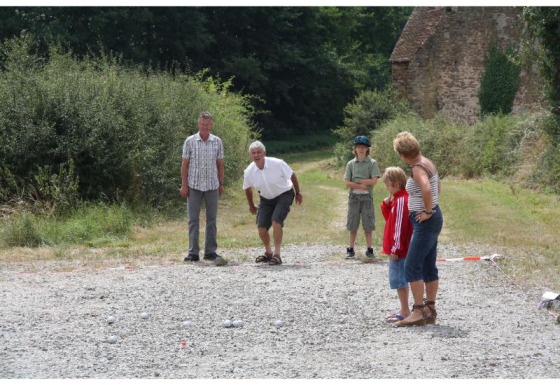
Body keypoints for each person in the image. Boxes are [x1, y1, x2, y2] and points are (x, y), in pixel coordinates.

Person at [392, 131, 443, 326]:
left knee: (411, 265)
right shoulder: (427, 162)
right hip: (432, 219)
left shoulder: (416, 169)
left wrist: (428, 210)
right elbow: (437, 185)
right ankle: (430, 308)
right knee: (429, 265)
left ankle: (419, 311)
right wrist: (434, 207)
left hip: (426, 221)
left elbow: (427, 188)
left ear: (403, 155)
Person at [242, 141, 303, 266]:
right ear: (250, 155)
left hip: (284, 194)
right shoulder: (249, 171)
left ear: (264, 153)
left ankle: (277, 255)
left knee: (276, 221)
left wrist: (298, 193)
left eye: (259, 152)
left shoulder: (277, 163)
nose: (256, 155)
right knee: (261, 227)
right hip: (266, 198)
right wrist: (251, 206)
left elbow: (292, 175)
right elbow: (247, 189)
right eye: (253, 153)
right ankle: (268, 252)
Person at [180, 111, 227, 266]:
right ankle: (193, 253)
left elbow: (220, 164)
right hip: (193, 186)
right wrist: (184, 185)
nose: (205, 127)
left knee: (211, 220)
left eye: (207, 124)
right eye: (202, 124)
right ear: (198, 124)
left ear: (211, 125)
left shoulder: (217, 141)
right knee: (193, 220)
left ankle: (210, 252)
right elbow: (184, 165)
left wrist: (221, 183)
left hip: (212, 186)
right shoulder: (190, 141)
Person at [380, 166, 413, 323]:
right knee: (401, 279)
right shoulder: (398, 200)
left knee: (399, 280)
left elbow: (399, 227)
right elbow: (390, 220)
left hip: (398, 251)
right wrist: (386, 205)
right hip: (398, 249)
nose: (387, 188)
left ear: (397, 184)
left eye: (388, 185)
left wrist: (395, 248)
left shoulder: (401, 201)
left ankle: (405, 311)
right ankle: (404, 308)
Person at [343, 136, 381, 260]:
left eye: (363, 147)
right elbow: (347, 182)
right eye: (358, 147)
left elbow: (374, 180)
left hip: (366, 198)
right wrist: (360, 185)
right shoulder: (350, 164)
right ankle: (351, 249)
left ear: (367, 149)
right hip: (354, 197)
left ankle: (369, 249)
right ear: (355, 149)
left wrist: (360, 181)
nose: (360, 149)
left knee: (368, 223)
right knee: (352, 223)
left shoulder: (372, 163)